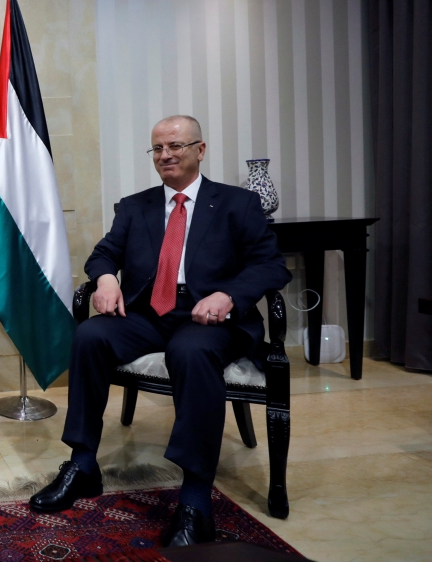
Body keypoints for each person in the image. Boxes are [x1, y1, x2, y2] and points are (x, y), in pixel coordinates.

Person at [28, 116, 291, 547]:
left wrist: (228, 294)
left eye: (176, 146)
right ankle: (83, 464)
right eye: (157, 149)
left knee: (190, 352)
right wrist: (106, 279)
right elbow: (103, 254)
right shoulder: (136, 206)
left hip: (210, 318)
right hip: (150, 313)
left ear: (200, 150)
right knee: (91, 337)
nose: (166, 155)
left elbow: (270, 265)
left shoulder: (237, 204)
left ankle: (194, 499)